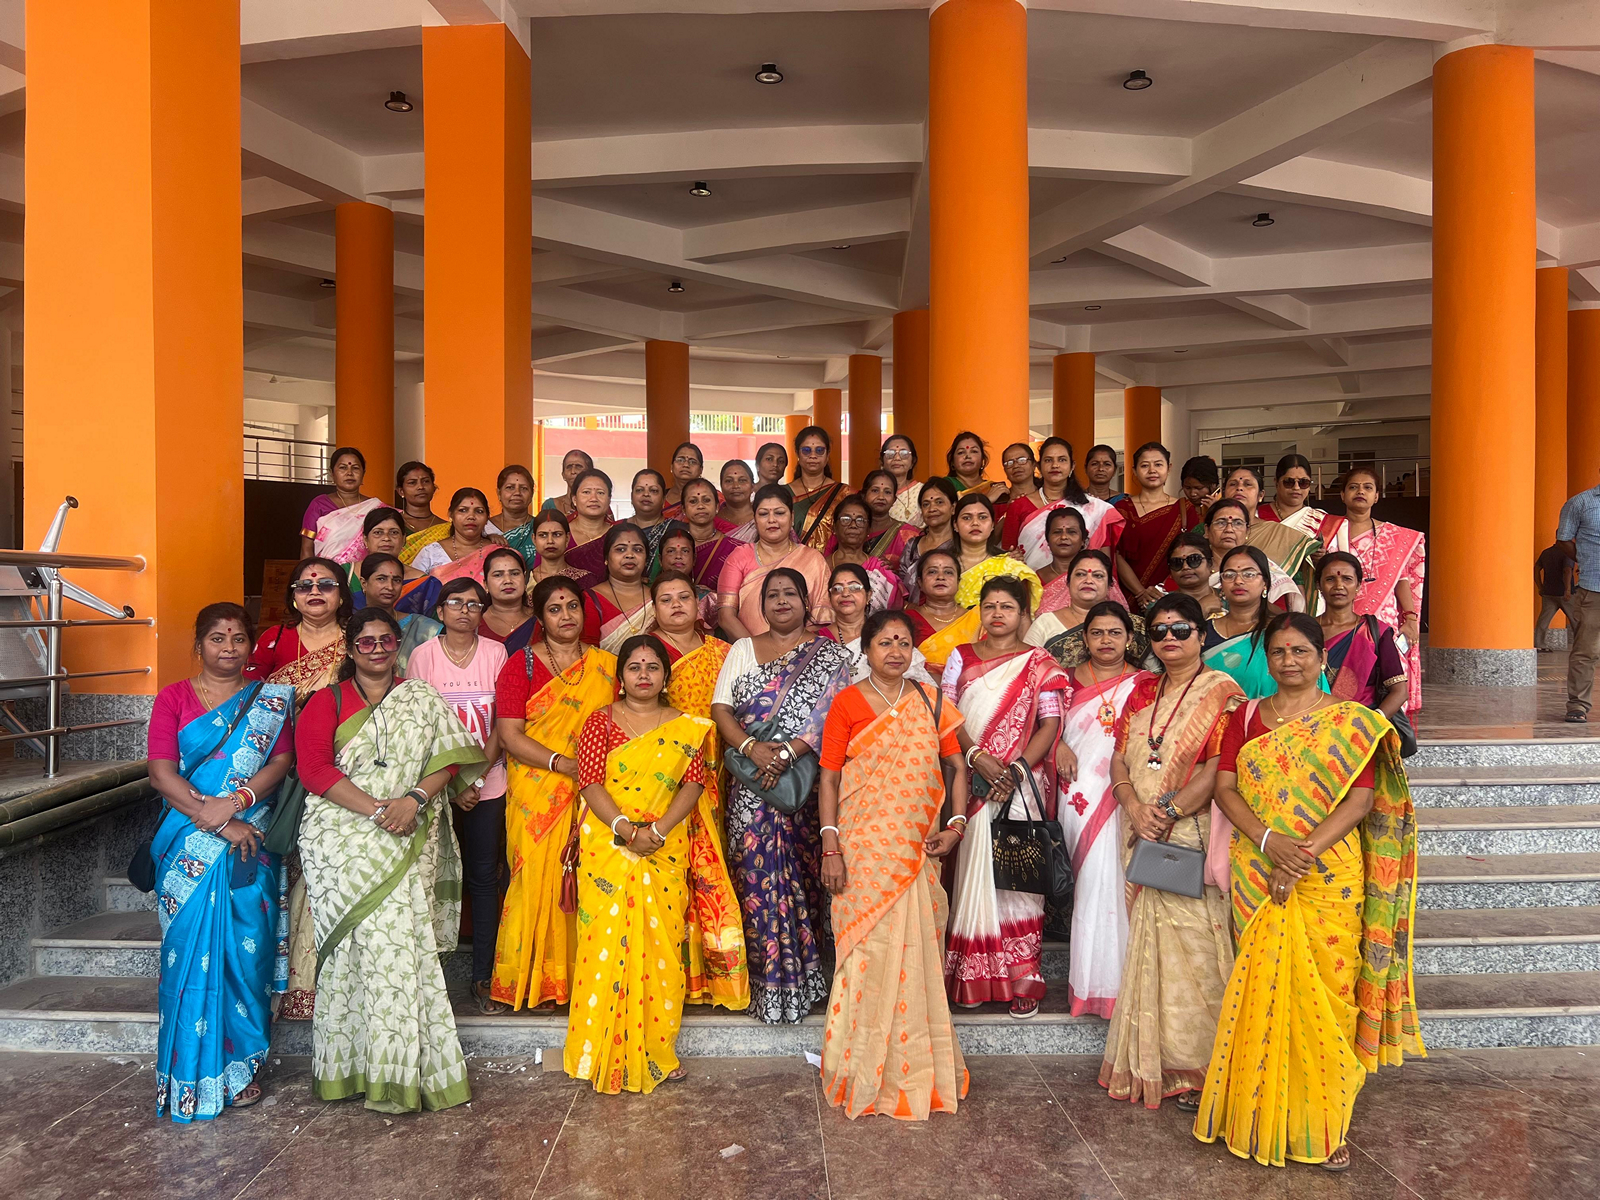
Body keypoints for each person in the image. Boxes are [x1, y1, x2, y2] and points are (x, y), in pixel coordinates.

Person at [1197, 612, 1422, 1170]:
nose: (1289, 661)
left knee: (1329, 989)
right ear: (1266, 661)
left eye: (1300, 651)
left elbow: (1361, 800)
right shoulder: (1244, 717)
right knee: (1262, 985)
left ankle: (1325, 1123)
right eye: (1279, 652)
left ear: (1323, 659)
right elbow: (1224, 788)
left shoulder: (1351, 722)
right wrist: (1268, 840)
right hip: (1257, 864)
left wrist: (1300, 854)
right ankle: (1255, 1112)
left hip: (1328, 871)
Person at [295, 607, 486, 1112]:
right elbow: (313, 769)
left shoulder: (420, 698)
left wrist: (414, 801)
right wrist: (380, 809)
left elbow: (449, 758)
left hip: (408, 831)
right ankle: (351, 1068)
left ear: (397, 645)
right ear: (349, 647)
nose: (376, 649)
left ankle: (400, 1072)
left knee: (401, 953)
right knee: (351, 957)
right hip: (339, 840)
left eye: (385, 641)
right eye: (366, 642)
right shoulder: (326, 701)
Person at [818, 609, 970, 1119]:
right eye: (885, 642)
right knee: (864, 951)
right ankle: (856, 1065)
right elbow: (830, 778)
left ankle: (914, 1072)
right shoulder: (847, 702)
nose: (896, 652)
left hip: (917, 848)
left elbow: (955, 766)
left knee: (915, 952)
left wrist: (956, 826)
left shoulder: (929, 700)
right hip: (862, 848)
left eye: (904, 642)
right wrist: (831, 846)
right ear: (866, 650)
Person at [147, 604, 294, 1122]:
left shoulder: (271, 699)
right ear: (200, 644)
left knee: (245, 955)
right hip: (186, 845)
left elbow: (281, 761)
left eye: (237, 638)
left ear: (251, 645)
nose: (228, 648)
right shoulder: (174, 698)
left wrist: (237, 803)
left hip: (251, 837)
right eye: (217, 638)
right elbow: (161, 772)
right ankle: (188, 1072)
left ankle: (243, 1069)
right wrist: (214, 819)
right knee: (187, 958)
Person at [1098, 593, 1241, 1110]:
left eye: (1181, 630)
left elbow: (1219, 764)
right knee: (1150, 944)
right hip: (1140, 828)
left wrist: (1169, 811)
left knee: (1196, 949)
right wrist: (1134, 805)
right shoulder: (1140, 693)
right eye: (1159, 632)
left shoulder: (1222, 692)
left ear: (1202, 634)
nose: (1169, 640)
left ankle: (1203, 1062)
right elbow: (1118, 760)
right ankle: (1156, 1059)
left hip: (1189, 833)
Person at [565, 635, 718, 1092]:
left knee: (662, 948)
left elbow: (692, 785)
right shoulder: (600, 723)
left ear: (666, 677)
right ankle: (597, 1052)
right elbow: (590, 784)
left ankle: (658, 1053)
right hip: (609, 847)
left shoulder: (688, 727)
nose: (644, 675)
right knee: (604, 945)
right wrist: (626, 830)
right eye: (635, 667)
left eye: (653, 667)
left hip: (663, 845)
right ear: (621, 677)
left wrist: (659, 831)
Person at [711, 568, 853, 1023]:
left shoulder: (831, 656)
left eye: (790, 593)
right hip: (750, 785)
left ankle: (804, 978)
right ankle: (762, 980)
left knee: (802, 876)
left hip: (805, 788)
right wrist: (753, 748)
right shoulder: (741, 650)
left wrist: (789, 753)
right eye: (772, 595)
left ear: (806, 602)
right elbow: (721, 709)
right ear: (760, 605)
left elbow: (836, 715)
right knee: (754, 875)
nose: (781, 602)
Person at [942, 576, 1067, 1018]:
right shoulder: (961, 658)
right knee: (974, 872)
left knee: (1019, 882)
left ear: (1024, 615)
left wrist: (1014, 770)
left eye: (1007, 607)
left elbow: (1049, 725)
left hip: (1021, 785)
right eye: (990, 606)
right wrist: (975, 755)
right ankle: (975, 975)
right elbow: (948, 715)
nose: (998, 614)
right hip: (972, 783)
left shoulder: (1040, 663)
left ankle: (1023, 976)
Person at [490, 578, 618, 1010]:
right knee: (536, 880)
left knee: (590, 879)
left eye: (572, 607)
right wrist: (563, 764)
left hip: (598, 788)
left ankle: (588, 977)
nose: (566, 616)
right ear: (540, 618)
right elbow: (509, 735)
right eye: (555, 609)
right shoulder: (520, 665)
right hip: (537, 789)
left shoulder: (607, 665)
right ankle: (537, 982)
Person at [403, 578, 510, 1016]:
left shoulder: (496, 654)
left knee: (485, 881)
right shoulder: (422, 656)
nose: (464, 610)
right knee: (429, 879)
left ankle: (483, 977)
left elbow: (504, 722)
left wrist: (474, 780)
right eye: (455, 603)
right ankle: (426, 982)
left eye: (473, 603)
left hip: (489, 784)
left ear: (483, 611)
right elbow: (416, 727)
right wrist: (450, 783)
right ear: (440, 610)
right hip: (433, 788)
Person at [650, 572, 750, 1011]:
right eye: (665, 599)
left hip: (720, 779)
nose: (675, 606)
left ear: (699, 604)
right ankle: (670, 973)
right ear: (653, 608)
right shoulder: (645, 655)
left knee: (713, 871)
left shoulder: (724, 653)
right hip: (660, 783)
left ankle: (713, 973)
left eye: (683, 597)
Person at [1052, 601, 1141, 1018]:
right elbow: (1043, 727)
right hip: (1078, 794)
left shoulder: (1145, 684)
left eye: (1115, 633)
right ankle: (1089, 985)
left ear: (1129, 638)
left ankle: (1124, 986)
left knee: (1123, 886)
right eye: (1098, 633)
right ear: (1084, 638)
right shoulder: (1063, 682)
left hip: (1128, 795)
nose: (1106, 640)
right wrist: (1059, 745)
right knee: (1090, 887)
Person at [1343, 466, 1425, 714]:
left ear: (1377, 496)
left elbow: (1401, 579)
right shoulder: (1330, 532)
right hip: (1341, 617)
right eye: (1353, 486)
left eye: (1368, 487)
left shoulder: (1393, 535)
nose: (1361, 491)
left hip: (1383, 618)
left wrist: (1410, 618)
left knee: (1388, 680)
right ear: (1343, 494)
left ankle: (1387, 724)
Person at [717, 483, 831, 638]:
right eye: (763, 514)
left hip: (801, 655)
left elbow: (821, 620)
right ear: (755, 520)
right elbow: (726, 616)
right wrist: (756, 651)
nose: (771, 520)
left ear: (791, 518)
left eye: (779, 513)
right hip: (751, 655)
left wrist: (790, 652)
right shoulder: (738, 556)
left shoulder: (813, 560)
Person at [933, 492, 1043, 653]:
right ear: (955, 525)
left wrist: (1023, 657)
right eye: (967, 518)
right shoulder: (940, 567)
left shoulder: (1010, 566)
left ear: (992, 525)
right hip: (945, 648)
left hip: (1001, 651)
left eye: (982, 517)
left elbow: (1023, 617)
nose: (975, 523)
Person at [1003, 437, 1123, 566]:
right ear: (1039, 466)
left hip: (1081, 582)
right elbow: (1006, 554)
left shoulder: (1091, 507)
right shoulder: (1019, 506)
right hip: (1031, 582)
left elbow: (1103, 560)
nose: (1055, 465)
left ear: (1072, 466)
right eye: (1048, 460)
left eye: (1062, 460)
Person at [247, 558, 351, 707]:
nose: (315, 592)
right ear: (293, 596)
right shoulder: (274, 638)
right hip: (281, 728)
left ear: (342, 595)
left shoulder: (356, 636)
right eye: (304, 586)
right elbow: (249, 691)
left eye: (326, 585)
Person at [1026, 549, 1150, 670]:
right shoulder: (1045, 623)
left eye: (1098, 575)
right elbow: (1026, 669)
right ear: (1068, 583)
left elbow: (1153, 676)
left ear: (1110, 585)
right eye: (1080, 574)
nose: (1088, 581)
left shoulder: (1134, 626)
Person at [1115, 442, 1204, 609]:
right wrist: (1140, 592)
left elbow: (1192, 554)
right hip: (1126, 596)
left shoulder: (1184, 509)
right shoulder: (1122, 509)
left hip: (1171, 596)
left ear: (1169, 468)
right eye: (1144, 465)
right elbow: (1116, 555)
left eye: (1158, 464)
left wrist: (1163, 592)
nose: (1152, 470)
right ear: (1134, 470)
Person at [1318, 552, 1408, 715]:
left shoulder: (1375, 632)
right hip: (1313, 724)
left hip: (1363, 725)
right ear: (1319, 585)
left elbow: (1400, 691)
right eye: (1330, 579)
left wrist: (1371, 724)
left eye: (1347, 579)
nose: (1339, 586)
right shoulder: (1305, 632)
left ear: (1358, 585)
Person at [824, 561, 934, 684]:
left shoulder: (889, 631)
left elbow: (916, 682)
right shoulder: (819, 639)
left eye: (854, 588)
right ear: (829, 597)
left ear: (869, 595)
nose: (845, 593)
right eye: (837, 589)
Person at [1223, 465, 1319, 603]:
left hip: (1268, 611)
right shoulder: (1206, 530)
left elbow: (1296, 583)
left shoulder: (1278, 534)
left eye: (1247, 484)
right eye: (1233, 484)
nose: (1239, 488)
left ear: (1261, 495)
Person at [404, 487, 502, 615]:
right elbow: (414, 594)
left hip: (489, 625)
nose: (471, 516)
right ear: (451, 515)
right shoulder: (431, 553)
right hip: (437, 626)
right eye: (463, 510)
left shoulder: (498, 553)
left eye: (479, 511)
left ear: (487, 517)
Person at [1203, 546, 1282, 699]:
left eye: (1249, 574)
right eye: (1229, 575)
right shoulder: (1203, 631)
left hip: (1266, 719)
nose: (1238, 581)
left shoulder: (1280, 632)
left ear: (1265, 582)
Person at [1204, 498, 1304, 612]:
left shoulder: (1266, 570)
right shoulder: (1193, 567)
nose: (1229, 529)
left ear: (1247, 532)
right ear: (1207, 531)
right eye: (1221, 523)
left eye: (1238, 523)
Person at [357, 554, 443, 672]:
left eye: (396, 580)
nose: (390, 587)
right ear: (363, 583)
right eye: (381, 579)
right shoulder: (349, 627)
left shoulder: (425, 629)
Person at [583, 522, 657, 652]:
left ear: (646, 560)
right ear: (606, 558)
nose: (629, 555)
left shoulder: (659, 598)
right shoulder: (590, 600)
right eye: (620, 549)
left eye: (637, 549)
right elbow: (587, 652)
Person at [301, 447, 381, 563]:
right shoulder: (319, 505)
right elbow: (307, 549)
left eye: (355, 468)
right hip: (327, 576)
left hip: (364, 575)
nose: (349, 473)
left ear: (363, 473)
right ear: (332, 473)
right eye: (343, 468)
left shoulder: (375, 507)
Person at [827, 493, 903, 612]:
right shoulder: (821, 566)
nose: (853, 525)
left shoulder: (881, 570)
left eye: (860, 520)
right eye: (846, 519)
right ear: (834, 528)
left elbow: (894, 613)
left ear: (868, 529)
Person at [1258, 453, 1347, 553]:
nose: (1296, 487)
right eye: (1289, 482)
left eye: (1303, 482)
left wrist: (1322, 558)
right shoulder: (1257, 516)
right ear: (1276, 482)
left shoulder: (1321, 521)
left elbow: (1337, 562)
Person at [678, 478, 744, 610]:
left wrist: (711, 597)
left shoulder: (736, 549)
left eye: (706, 500)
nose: (700, 506)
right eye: (693, 501)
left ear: (717, 507)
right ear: (683, 509)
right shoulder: (672, 546)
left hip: (723, 619)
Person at [905, 549, 970, 674]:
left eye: (948, 572)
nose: (940, 577)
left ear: (958, 582)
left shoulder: (976, 619)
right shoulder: (907, 621)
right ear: (920, 583)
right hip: (921, 690)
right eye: (932, 572)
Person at [898, 475, 958, 603]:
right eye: (926, 504)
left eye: (939, 502)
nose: (932, 509)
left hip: (954, 617)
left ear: (953, 508)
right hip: (916, 617)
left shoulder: (962, 545)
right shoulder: (912, 546)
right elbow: (903, 590)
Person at [790, 425, 849, 551]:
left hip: (830, 565)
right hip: (788, 565)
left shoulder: (844, 494)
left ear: (827, 455)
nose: (813, 455)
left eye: (819, 450)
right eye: (806, 450)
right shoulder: (782, 494)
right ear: (797, 454)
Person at [345, 507, 420, 603]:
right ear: (365, 539)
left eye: (394, 532)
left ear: (403, 538)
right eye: (378, 532)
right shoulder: (345, 573)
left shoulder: (421, 582)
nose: (386, 538)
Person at [477, 547, 539, 657]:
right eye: (498, 575)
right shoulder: (475, 623)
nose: (508, 581)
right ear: (485, 584)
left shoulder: (541, 619)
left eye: (515, 574)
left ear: (524, 579)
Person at [563, 468, 619, 586]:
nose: (593, 499)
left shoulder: (619, 535)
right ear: (574, 499)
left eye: (600, 493)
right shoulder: (560, 533)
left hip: (609, 600)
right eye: (586, 492)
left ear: (609, 499)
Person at [858, 468, 918, 573]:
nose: (881, 497)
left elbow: (916, 576)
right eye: (875, 490)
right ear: (863, 495)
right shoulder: (850, 529)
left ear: (894, 499)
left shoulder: (909, 535)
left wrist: (895, 574)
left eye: (887, 492)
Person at [394, 461, 449, 565]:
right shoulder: (393, 524)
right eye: (412, 483)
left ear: (434, 488)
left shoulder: (446, 528)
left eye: (426, 481)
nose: (420, 487)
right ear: (401, 491)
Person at [525, 509, 591, 589]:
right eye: (543, 535)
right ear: (534, 539)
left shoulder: (585, 579)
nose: (550, 541)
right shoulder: (525, 580)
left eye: (557, 534)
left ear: (567, 538)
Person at [489, 465, 539, 564]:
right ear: (499, 493)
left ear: (532, 494)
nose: (517, 493)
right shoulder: (485, 528)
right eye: (510, 488)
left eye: (524, 488)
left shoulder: (539, 527)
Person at [1166, 532, 1222, 617]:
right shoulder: (1161, 605)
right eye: (1177, 563)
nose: (1185, 567)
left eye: (1194, 560)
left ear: (1211, 564)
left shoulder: (1229, 599)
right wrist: (1201, 608)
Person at [628, 468, 673, 573]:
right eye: (639, 490)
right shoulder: (616, 528)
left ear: (663, 498)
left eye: (653, 490)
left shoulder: (676, 529)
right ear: (631, 496)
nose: (646, 494)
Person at [1536, 540, 1577, 652]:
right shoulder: (1567, 553)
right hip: (1565, 594)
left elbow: (1536, 569)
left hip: (1548, 592)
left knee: (1544, 619)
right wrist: (1567, 590)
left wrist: (1540, 586)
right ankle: (1581, 645)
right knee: (1576, 620)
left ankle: (1539, 644)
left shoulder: (1546, 553)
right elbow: (1567, 570)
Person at [943, 430, 1007, 501]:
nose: (967, 456)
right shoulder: (944, 486)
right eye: (961, 452)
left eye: (974, 451)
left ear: (982, 460)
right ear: (952, 462)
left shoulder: (993, 488)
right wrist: (988, 499)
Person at [880, 434, 924, 526]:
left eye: (904, 454)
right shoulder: (875, 493)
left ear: (913, 461)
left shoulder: (922, 491)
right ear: (882, 461)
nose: (897, 458)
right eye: (890, 454)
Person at [662, 440, 712, 519]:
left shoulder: (713, 497)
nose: (686, 465)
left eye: (692, 462)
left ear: (701, 470)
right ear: (671, 467)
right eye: (680, 460)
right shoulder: (660, 498)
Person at [542, 449, 598, 517]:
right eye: (569, 467)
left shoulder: (597, 504)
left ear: (589, 473)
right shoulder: (550, 505)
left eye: (578, 466)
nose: (573, 471)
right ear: (563, 475)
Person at [716, 459, 758, 541]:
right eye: (729, 481)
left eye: (742, 480)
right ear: (721, 486)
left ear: (752, 486)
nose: (736, 486)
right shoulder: (713, 522)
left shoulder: (763, 518)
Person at [1179, 456, 1220, 521]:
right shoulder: (1178, 508)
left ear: (1213, 485)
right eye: (1187, 488)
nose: (1192, 494)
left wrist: (1216, 512)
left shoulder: (1227, 508)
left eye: (1199, 488)